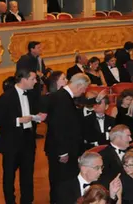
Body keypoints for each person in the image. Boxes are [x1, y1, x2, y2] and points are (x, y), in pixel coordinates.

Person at [0, 69, 46, 204]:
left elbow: (33, 112)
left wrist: (38, 116)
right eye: (33, 79)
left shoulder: (31, 95)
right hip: (11, 142)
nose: (36, 82)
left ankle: (27, 201)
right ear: (23, 79)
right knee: (9, 176)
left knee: (28, 174)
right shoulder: (6, 97)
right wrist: (18, 120)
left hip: (28, 139)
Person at [46, 73, 90, 203]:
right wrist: (63, 151)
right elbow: (58, 127)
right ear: (80, 85)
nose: (84, 92)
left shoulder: (64, 96)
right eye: (84, 88)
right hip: (62, 150)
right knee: (60, 181)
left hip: (65, 147)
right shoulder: (62, 98)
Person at [57, 151, 122, 204]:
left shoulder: (104, 184)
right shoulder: (65, 188)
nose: (100, 172)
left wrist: (112, 194)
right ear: (84, 169)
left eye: (101, 167)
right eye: (97, 168)